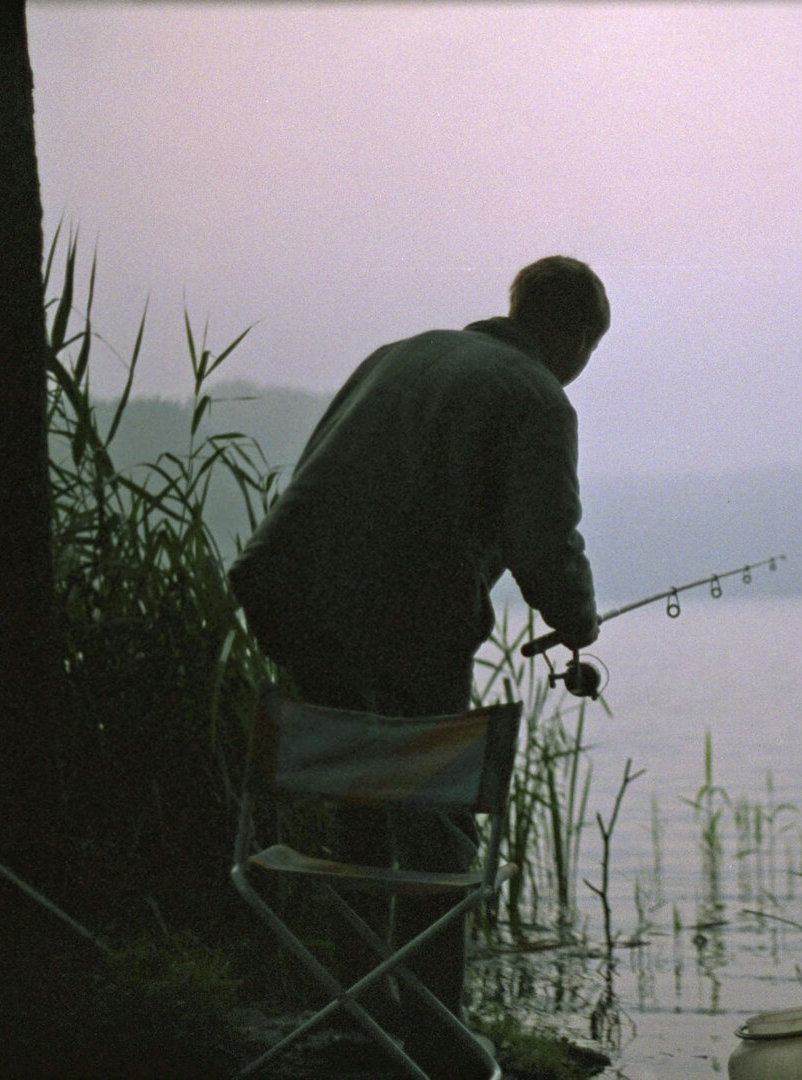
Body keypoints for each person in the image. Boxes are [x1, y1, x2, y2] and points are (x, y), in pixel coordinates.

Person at [229, 255, 606, 1071]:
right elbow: (545, 543)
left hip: (283, 585)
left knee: (361, 797)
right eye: (588, 351)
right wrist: (579, 620)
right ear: (577, 336)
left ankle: (362, 1015)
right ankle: (435, 1030)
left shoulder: (401, 353)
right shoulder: (538, 395)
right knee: (436, 820)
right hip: (405, 606)